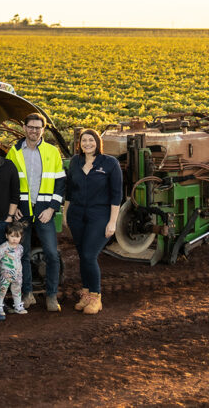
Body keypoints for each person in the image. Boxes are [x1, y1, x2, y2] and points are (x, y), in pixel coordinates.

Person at [7, 113, 66, 312]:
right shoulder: (14, 152)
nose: (34, 131)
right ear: (24, 128)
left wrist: (51, 208)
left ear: (43, 129)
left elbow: (60, 183)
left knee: (51, 253)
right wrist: (13, 208)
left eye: (38, 128)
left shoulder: (52, 151)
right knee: (21, 254)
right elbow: (8, 183)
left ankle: (51, 296)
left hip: (44, 211)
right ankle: (27, 294)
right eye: (30, 127)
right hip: (22, 212)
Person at [64, 129, 123, 315]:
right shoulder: (75, 162)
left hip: (100, 215)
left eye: (91, 140)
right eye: (84, 140)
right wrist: (66, 213)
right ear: (79, 143)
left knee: (89, 255)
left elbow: (116, 195)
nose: (87, 143)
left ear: (98, 142)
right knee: (83, 255)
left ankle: (96, 297)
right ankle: (86, 294)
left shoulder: (110, 163)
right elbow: (69, 190)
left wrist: (112, 222)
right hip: (77, 215)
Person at [0, 221, 28, 315]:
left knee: (17, 289)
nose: (14, 239)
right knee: (2, 289)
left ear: (21, 237)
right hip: (5, 274)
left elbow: (19, 258)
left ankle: (18, 306)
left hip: (17, 274)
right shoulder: (2, 248)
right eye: (12, 236)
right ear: (7, 236)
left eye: (17, 237)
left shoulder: (20, 248)